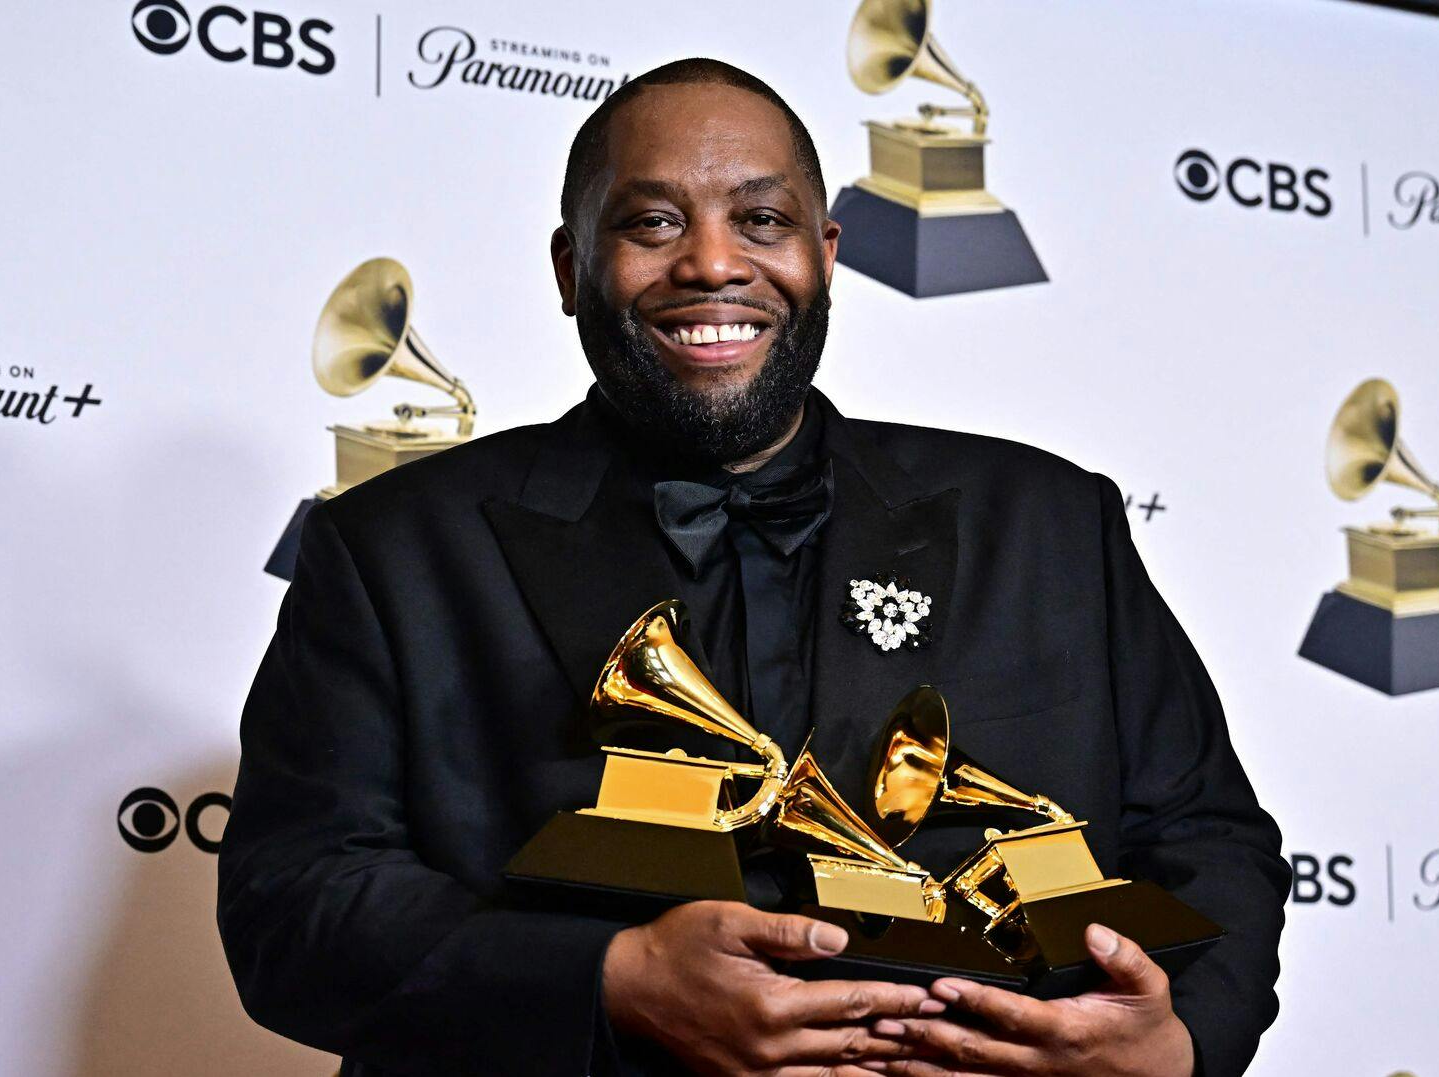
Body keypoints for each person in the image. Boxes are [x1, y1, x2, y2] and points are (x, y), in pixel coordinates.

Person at [219, 58, 1289, 1077]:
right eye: (651, 223)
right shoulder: (394, 548)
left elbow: (1206, 838)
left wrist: (1179, 1048)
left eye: (762, 221)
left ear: (825, 255)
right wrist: (615, 978)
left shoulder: (1054, 523)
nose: (715, 263)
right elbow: (291, 905)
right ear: (569, 269)